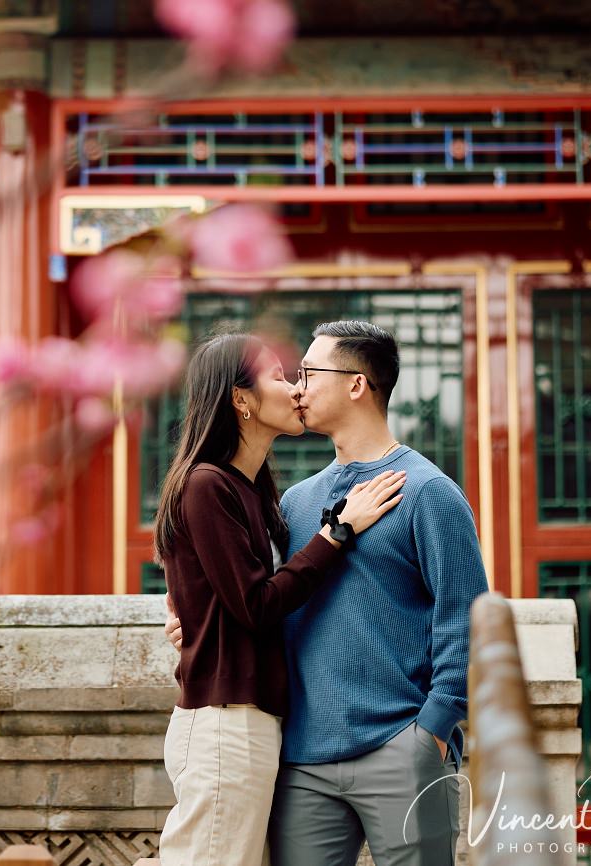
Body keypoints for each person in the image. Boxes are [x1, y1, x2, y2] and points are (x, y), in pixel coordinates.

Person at [165, 321, 490, 866]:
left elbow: (468, 618)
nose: (297, 386)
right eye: (289, 375)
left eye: (309, 373)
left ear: (357, 385)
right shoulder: (293, 502)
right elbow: (256, 593)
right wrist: (189, 616)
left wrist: (431, 732)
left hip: (400, 746)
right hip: (300, 760)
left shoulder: (429, 492)